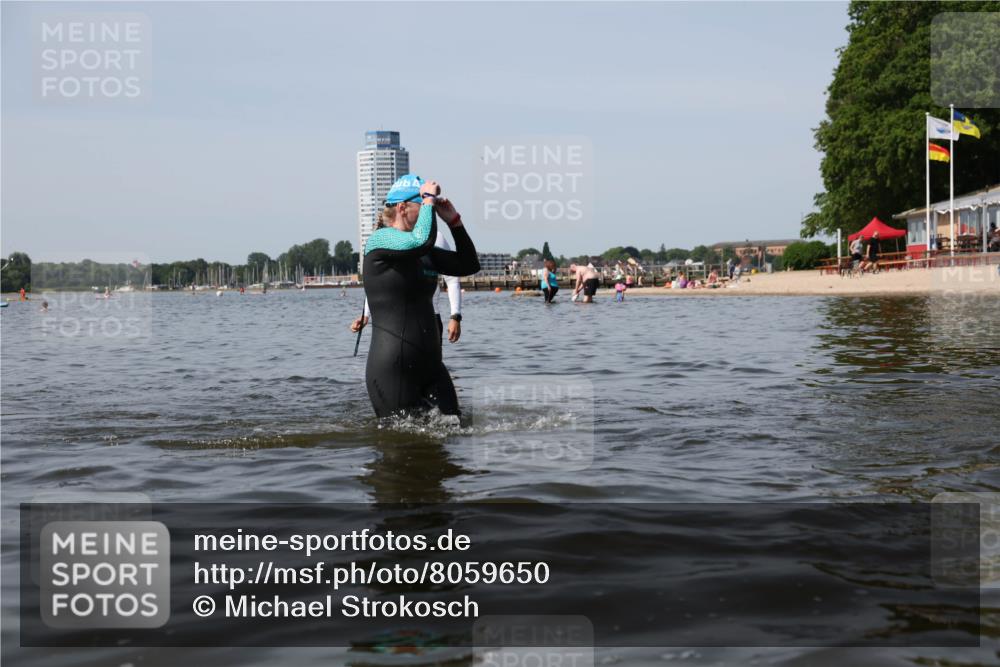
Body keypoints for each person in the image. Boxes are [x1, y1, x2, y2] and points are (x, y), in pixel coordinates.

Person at [352, 175, 479, 418]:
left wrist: (454, 222)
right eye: (422, 206)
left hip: (430, 363)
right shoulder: (380, 240)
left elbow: (469, 264)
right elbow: (420, 240)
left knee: (457, 425)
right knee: (401, 446)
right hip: (393, 368)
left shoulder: (424, 250)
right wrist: (430, 200)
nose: (427, 213)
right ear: (402, 208)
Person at [354, 227, 465, 343]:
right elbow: (379, 284)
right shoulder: (388, 238)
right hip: (395, 322)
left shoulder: (435, 237)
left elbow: (452, 279)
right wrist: (366, 315)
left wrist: (455, 316)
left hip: (429, 320)